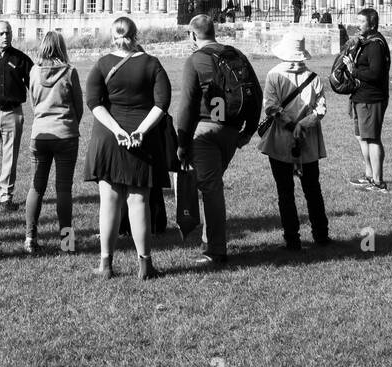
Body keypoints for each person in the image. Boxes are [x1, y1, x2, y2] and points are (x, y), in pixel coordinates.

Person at [83, 15, 172, 281]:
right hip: (141, 139)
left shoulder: (101, 64)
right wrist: (141, 130)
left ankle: (106, 265)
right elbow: (162, 103)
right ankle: (145, 266)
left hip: (108, 138)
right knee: (139, 201)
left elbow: (94, 103)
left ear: (113, 36)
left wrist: (117, 130)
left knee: (108, 202)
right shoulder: (151, 63)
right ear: (136, 36)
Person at [172, 14, 262, 268]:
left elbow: (187, 105)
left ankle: (216, 250)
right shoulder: (235, 55)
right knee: (210, 186)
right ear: (214, 31)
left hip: (205, 131)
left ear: (192, 35)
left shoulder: (196, 60)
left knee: (211, 190)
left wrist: (181, 141)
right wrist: (248, 130)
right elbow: (254, 93)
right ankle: (208, 242)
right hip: (231, 131)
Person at [259, 34, 329, 251]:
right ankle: (321, 234)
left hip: (281, 138)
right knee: (312, 188)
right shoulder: (314, 77)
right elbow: (321, 109)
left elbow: (271, 107)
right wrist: (303, 125)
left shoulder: (274, 75)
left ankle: (292, 239)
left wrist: (291, 125)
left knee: (285, 191)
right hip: (307, 139)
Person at [24, 31, 84, 255]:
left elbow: (33, 103)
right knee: (63, 189)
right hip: (65, 133)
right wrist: (71, 123)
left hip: (40, 135)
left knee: (36, 186)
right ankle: (66, 242)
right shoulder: (69, 72)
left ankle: (30, 237)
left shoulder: (33, 71)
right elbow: (78, 106)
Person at [0, 20, 33, 208]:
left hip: (13, 113)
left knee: (10, 157)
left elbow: (33, 86)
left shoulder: (21, 59)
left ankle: (6, 196)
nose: (5, 36)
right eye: (1, 33)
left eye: (8, 33)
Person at [348, 7, 391, 194]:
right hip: (361, 96)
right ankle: (368, 176)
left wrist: (353, 70)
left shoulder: (376, 45)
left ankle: (378, 182)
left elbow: (375, 73)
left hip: (372, 98)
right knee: (362, 137)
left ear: (372, 24)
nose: (358, 25)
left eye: (362, 21)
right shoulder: (366, 42)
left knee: (372, 138)